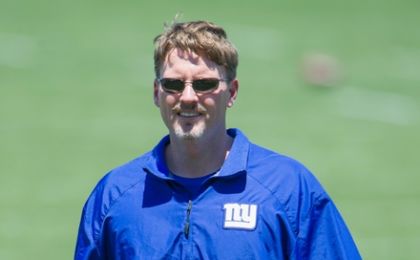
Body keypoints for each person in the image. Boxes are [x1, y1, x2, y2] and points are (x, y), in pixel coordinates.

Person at [75, 20, 361, 259]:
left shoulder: (288, 188)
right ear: (156, 92)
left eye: (204, 84)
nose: (188, 97)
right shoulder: (114, 195)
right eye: (173, 84)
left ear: (232, 92)